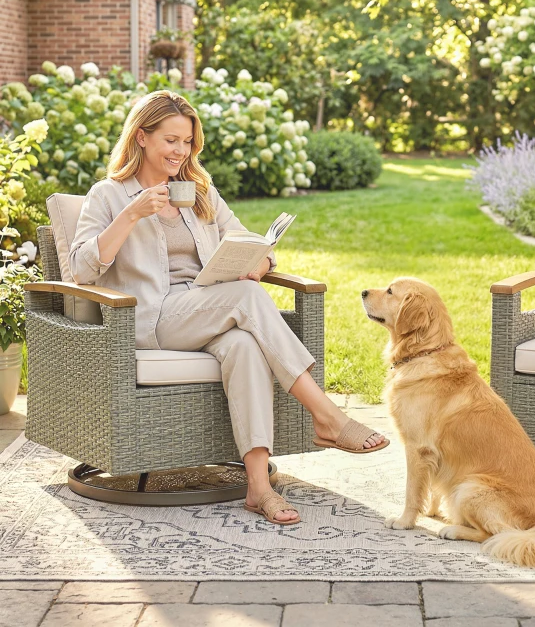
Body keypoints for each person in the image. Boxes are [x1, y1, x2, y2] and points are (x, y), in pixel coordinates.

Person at [69, 90, 388, 525]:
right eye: (171, 140)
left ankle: (258, 488)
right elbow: (79, 270)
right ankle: (325, 415)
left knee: (243, 345)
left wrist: (260, 262)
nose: (181, 152)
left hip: (209, 309)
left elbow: (250, 240)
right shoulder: (108, 195)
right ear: (141, 137)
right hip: (153, 319)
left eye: (188, 143)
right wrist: (130, 214)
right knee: (247, 300)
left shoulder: (200, 192)